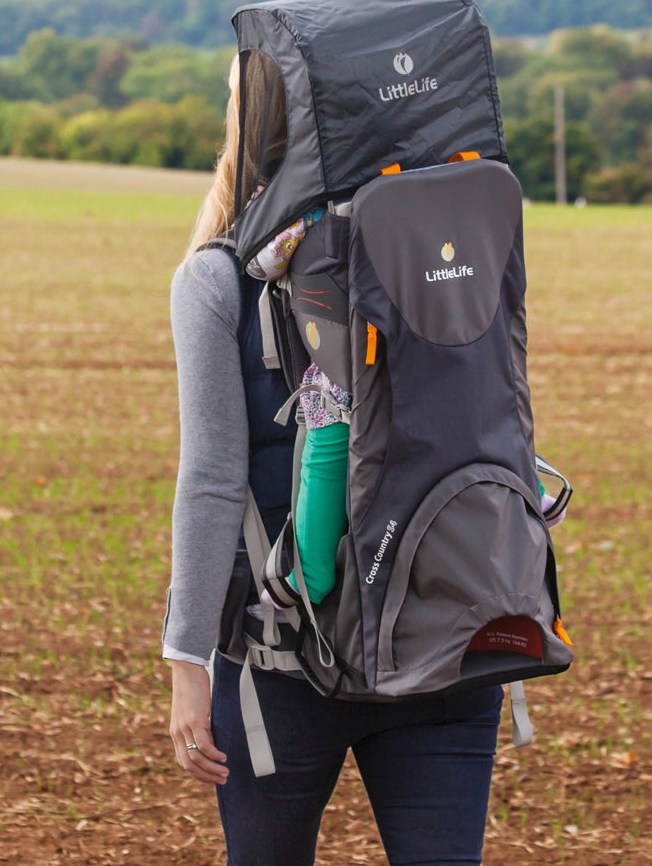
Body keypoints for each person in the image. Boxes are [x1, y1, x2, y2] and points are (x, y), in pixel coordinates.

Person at [163, 54, 505, 866]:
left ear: (246, 125)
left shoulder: (218, 278)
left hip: (284, 656)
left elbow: (213, 483)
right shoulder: (446, 245)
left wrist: (185, 659)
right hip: (446, 638)